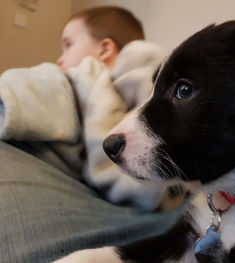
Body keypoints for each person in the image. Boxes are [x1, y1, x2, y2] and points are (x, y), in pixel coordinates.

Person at [0, 7, 184, 262]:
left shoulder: (136, 70)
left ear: (105, 49)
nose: (59, 60)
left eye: (68, 45)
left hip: (156, 193)